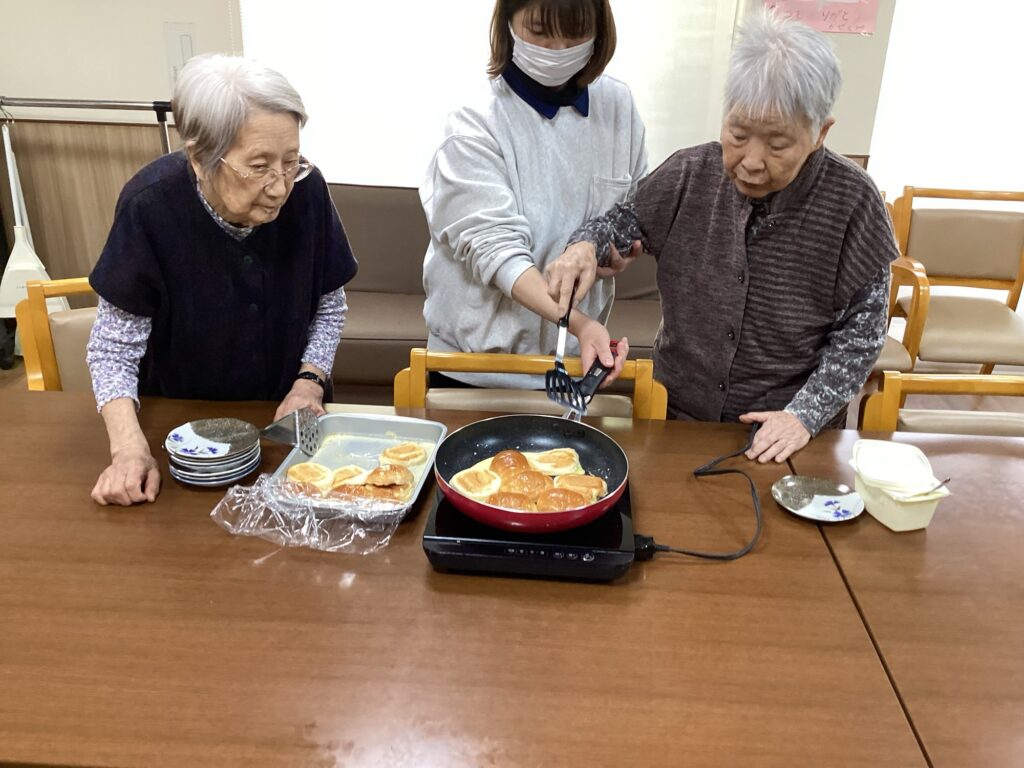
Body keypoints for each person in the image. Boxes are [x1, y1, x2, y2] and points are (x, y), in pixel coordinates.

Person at [546, 11, 898, 462]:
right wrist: (584, 247)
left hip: (787, 432)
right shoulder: (690, 173)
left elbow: (862, 333)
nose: (751, 160)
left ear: (820, 133)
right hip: (676, 416)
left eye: (777, 144)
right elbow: (618, 224)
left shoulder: (854, 202)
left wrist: (804, 416)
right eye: (738, 133)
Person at [86, 55, 357, 506]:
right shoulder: (149, 208)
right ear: (200, 158)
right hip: (182, 429)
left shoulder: (307, 191)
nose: (280, 186)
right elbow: (113, 348)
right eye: (259, 166)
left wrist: (308, 383)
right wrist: (128, 450)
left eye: (291, 161)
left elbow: (330, 305)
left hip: (282, 419)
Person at [420, 0, 645, 388]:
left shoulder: (618, 108)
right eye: (540, 31)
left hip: (570, 366)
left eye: (575, 35)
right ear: (508, 21)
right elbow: (498, 254)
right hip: (474, 370)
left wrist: (609, 249)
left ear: (599, 31)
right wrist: (579, 324)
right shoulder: (474, 119)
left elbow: (633, 209)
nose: (557, 50)